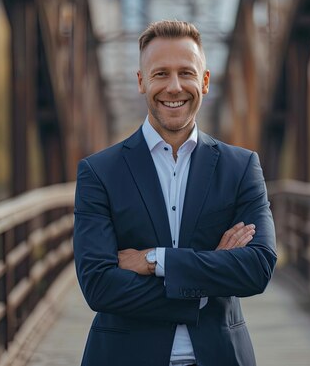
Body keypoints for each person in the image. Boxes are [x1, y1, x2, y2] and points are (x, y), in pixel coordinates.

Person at [73, 20, 277, 366]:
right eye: (160, 74)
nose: (174, 87)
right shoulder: (99, 172)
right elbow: (98, 285)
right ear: (141, 82)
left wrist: (155, 261)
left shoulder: (240, 167)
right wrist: (206, 281)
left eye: (186, 73)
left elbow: (257, 267)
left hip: (220, 356)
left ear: (205, 82)